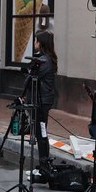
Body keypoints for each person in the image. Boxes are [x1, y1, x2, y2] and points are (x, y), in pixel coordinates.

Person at [31, 31, 57, 176]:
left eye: (36, 41)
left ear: (41, 43)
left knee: (41, 132)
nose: (34, 43)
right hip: (43, 100)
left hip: (42, 101)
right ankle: (43, 161)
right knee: (41, 131)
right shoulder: (47, 60)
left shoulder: (44, 61)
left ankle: (44, 163)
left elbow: (33, 77)